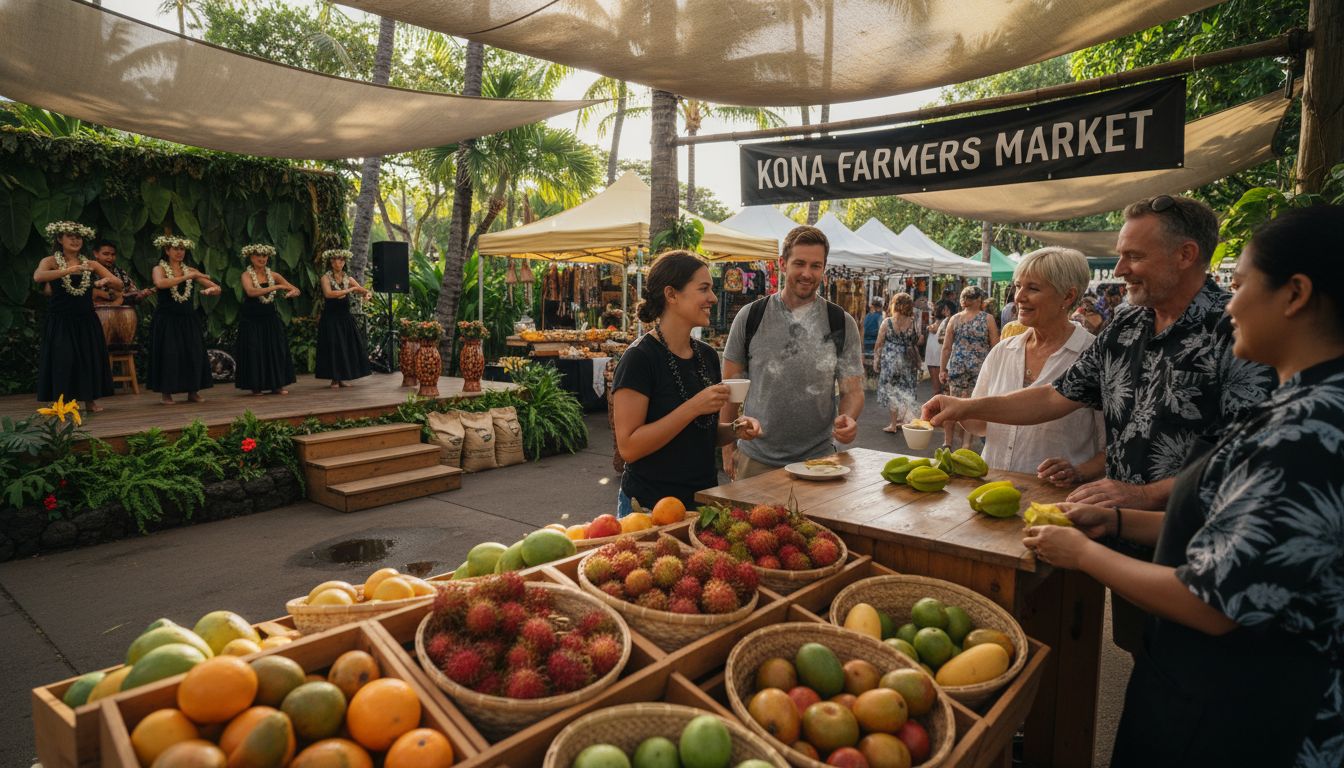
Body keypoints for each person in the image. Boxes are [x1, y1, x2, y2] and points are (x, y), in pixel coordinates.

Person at [1022, 206, 1344, 767]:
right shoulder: (1304, 407)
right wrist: (1118, 522)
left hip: (1247, 712)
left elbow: (1213, 599)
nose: (1231, 306)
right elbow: (1233, 529)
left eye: (1240, 285)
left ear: (1294, 295)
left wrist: (1083, 553)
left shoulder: (1306, 431)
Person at [924, 194, 1277, 651]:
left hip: (1200, 538)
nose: (1121, 269)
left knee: (1202, 669)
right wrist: (967, 407)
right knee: (1142, 655)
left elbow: (1245, 450)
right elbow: (1055, 395)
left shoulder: (1234, 328)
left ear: (1186, 254)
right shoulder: (1125, 324)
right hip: (1120, 533)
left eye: (1134, 255)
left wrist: (1146, 494)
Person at [611, 251, 761, 513]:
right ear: (671, 295)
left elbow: (700, 434)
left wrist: (735, 429)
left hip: (702, 504)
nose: (713, 298)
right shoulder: (639, 359)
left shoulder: (707, 356)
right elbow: (629, 447)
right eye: (704, 289)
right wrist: (694, 406)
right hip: (649, 508)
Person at [719, 226, 864, 480]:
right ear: (782, 264)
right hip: (755, 459)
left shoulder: (841, 322)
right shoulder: (751, 316)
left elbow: (852, 390)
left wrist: (848, 418)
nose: (807, 273)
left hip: (819, 461)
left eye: (816, 266)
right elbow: (729, 388)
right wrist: (727, 446)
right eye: (799, 263)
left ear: (824, 269)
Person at [961, 248, 1105, 480]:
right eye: (1018, 286)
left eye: (1033, 288)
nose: (1018, 297)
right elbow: (979, 425)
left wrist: (1079, 472)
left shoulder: (1093, 356)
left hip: (1056, 503)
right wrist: (951, 411)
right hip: (992, 492)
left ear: (1068, 296)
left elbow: (1114, 449)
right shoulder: (1003, 351)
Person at [33, 221, 121, 412]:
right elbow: (38, 277)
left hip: (85, 319)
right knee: (63, 359)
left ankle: (90, 400)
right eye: (70, 236)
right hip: (61, 320)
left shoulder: (90, 264)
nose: (75, 240)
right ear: (59, 239)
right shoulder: (50, 261)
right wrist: (68, 270)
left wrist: (107, 280)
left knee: (87, 358)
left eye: (78, 237)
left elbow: (118, 284)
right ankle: (62, 402)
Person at [147, 235, 221, 404]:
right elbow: (160, 284)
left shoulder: (191, 270)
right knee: (169, 354)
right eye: (176, 249)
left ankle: (193, 391)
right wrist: (187, 277)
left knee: (192, 352)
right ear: (167, 250)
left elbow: (215, 287)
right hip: (167, 319)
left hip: (188, 318)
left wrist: (212, 290)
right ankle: (167, 393)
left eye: (182, 249)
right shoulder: (159, 269)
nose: (180, 252)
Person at [939, 286, 999, 449]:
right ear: (979, 300)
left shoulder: (954, 319)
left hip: (957, 366)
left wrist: (942, 369)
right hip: (979, 369)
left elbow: (946, 347)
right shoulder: (987, 319)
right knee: (972, 407)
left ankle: (947, 442)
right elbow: (995, 346)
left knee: (952, 405)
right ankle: (966, 445)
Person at [235, 244, 298, 395]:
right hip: (251, 319)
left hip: (270, 318)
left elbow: (294, 288)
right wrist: (275, 288)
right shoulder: (246, 275)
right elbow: (251, 292)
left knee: (274, 349)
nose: (262, 259)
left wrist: (292, 292)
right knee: (255, 351)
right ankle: (256, 386)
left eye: (264, 256)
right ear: (251, 257)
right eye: (258, 256)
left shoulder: (274, 275)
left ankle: (277, 385)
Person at [314, 249, 373, 388]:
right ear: (330, 262)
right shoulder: (325, 278)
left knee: (345, 347)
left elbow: (363, 291)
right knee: (333, 347)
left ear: (344, 262)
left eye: (340, 260)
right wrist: (350, 290)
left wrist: (367, 295)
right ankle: (334, 379)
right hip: (331, 318)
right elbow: (329, 294)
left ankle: (343, 378)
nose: (337, 263)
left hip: (345, 318)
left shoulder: (348, 279)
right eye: (334, 260)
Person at [873, 292, 921, 433]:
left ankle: (893, 424)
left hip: (890, 361)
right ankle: (902, 420)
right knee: (906, 389)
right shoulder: (912, 322)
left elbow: (879, 343)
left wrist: (876, 361)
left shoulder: (887, 322)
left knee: (892, 391)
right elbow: (916, 341)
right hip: (907, 360)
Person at [90, 239, 152, 306]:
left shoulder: (121, 272)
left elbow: (132, 295)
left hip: (119, 313)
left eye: (113, 254)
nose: (110, 258)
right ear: (96, 254)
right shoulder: (88, 272)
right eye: (106, 254)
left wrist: (140, 296)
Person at [924, 299, 954, 396]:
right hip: (940, 356)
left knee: (937, 390)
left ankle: (938, 409)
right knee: (944, 390)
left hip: (934, 357)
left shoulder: (937, 324)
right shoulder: (947, 322)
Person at [862, 298, 884, 372]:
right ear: (878, 307)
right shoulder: (879, 317)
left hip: (865, 343)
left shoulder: (867, 316)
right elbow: (881, 332)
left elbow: (863, 329)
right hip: (874, 344)